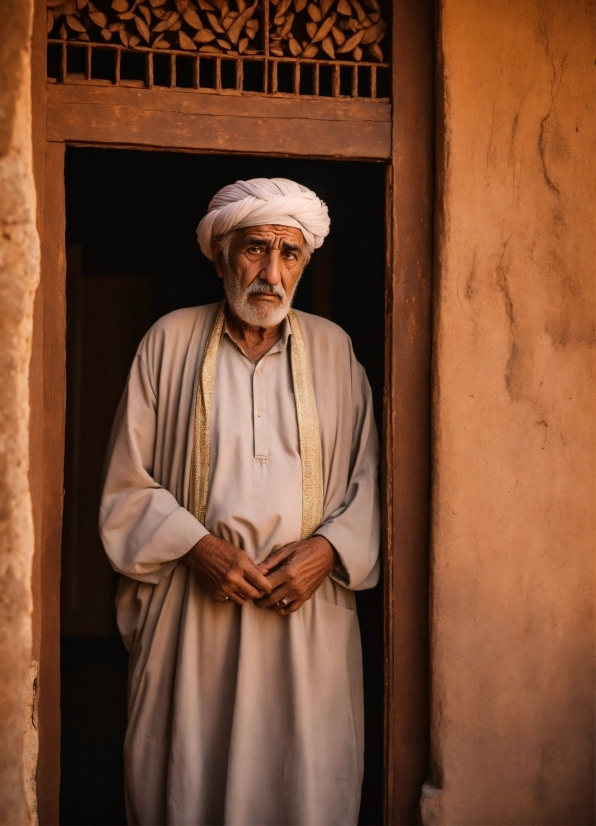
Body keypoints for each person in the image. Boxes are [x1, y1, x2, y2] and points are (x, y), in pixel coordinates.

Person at [99, 177, 380, 826]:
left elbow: (371, 484)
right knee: (189, 784)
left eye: (290, 255)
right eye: (255, 249)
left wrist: (327, 550)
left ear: (305, 263)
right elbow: (124, 486)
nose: (271, 273)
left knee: (302, 787)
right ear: (220, 254)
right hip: (195, 622)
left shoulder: (337, 352)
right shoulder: (167, 342)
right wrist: (196, 546)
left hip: (303, 624)